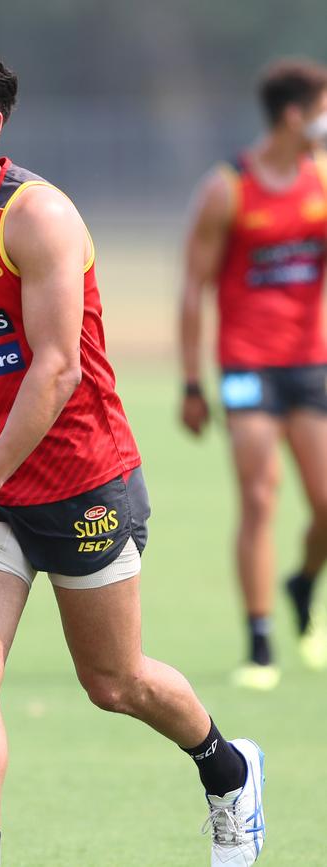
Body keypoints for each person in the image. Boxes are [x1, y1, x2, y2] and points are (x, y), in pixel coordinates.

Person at [0, 34, 265, 866]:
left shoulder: (37, 215)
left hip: (82, 479)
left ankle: (229, 769)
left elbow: (56, 368)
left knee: (115, 682)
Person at [179, 58, 327, 691]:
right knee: (260, 495)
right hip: (247, 366)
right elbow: (193, 288)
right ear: (296, 115)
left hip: (310, 363)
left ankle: (302, 583)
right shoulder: (228, 187)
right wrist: (191, 382)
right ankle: (261, 643)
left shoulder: (322, 181)